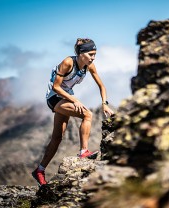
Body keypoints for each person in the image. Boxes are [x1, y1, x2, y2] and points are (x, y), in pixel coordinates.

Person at [32, 38, 114, 186]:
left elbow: (102, 86)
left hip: (65, 97)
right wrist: (75, 100)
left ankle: (39, 170)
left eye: (95, 54)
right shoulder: (68, 62)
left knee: (57, 137)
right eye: (90, 54)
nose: (93, 57)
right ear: (81, 53)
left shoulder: (89, 66)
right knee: (87, 114)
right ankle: (84, 151)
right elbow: (56, 87)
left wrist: (104, 104)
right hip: (54, 97)